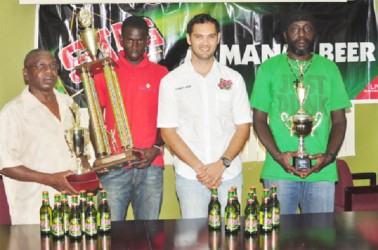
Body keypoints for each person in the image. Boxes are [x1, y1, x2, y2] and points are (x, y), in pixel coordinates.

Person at [250, 9, 352, 214]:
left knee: (320, 238)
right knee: (278, 239)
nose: (302, 34)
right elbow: (259, 120)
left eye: (307, 28)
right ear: (285, 35)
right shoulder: (269, 69)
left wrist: (330, 156)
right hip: (279, 170)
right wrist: (279, 156)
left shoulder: (329, 68)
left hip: (321, 171)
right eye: (295, 29)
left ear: (314, 33)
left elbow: (339, 121)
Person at [157, 14, 252, 219]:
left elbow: (243, 128)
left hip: (229, 174)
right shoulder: (171, 81)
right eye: (199, 37)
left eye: (210, 37)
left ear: (218, 38)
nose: (205, 43)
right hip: (191, 177)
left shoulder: (234, 79)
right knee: (193, 241)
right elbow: (168, 133)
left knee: (232, 239)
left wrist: (221, 165)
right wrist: (202, 170)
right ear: (189, 39)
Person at [93, 16, 168, 220]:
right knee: (111, 233)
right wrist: (101, 156)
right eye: (129, 40)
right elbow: (95, 118)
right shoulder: (104, 73)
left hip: (151, 166)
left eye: (140, 40)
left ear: (148, 41)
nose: (134, 45)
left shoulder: (162, 74)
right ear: (120, 39)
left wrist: (155, 149)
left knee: (148, 233)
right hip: (114, 170)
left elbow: (168, 120)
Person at [0, 49, 79, 224]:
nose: (49, 71)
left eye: (53, 66)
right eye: (41, 66)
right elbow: (5, 165)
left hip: (73, 206)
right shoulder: (13, 112)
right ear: (26, 73)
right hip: (34, 209)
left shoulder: (69, 104)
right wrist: (50, 179)